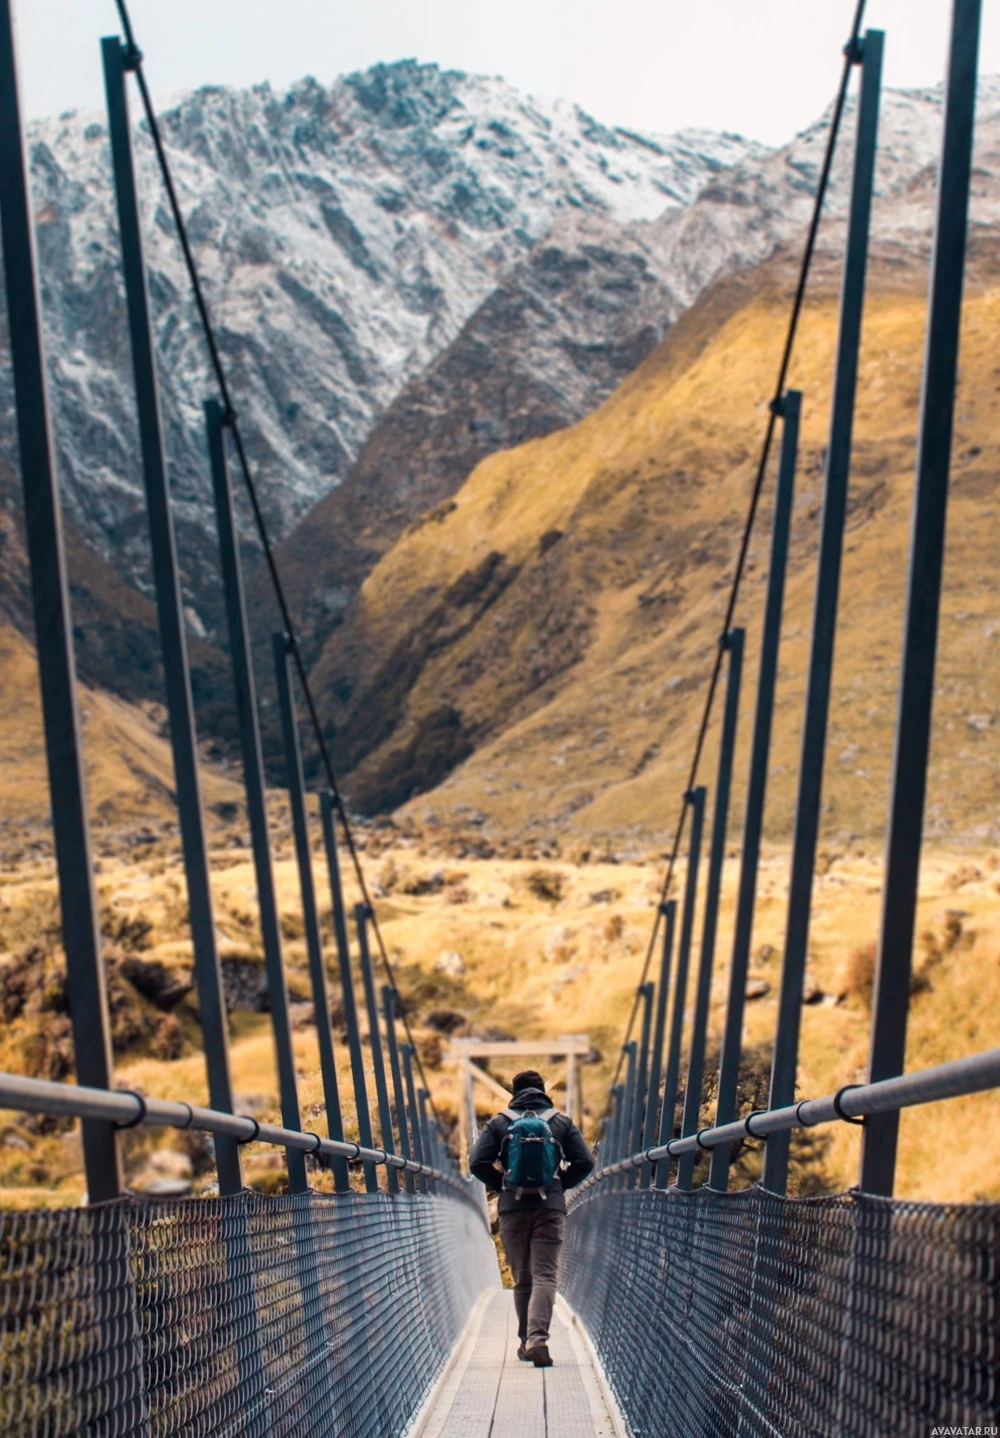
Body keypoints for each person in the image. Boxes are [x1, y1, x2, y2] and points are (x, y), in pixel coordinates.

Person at [469, 1069, 594, 1367]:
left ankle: (526, 1342)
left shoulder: (499, 1122)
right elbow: (586, 1162)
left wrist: (501, 1184)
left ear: (515, 1093)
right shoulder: (560, 1122)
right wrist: (560, 1183)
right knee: (545, 1275)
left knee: (522, 1278)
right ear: (542, 1092)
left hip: (513, 1206)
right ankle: (537, 1341)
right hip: (549, 1206)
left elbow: (476, 1162)